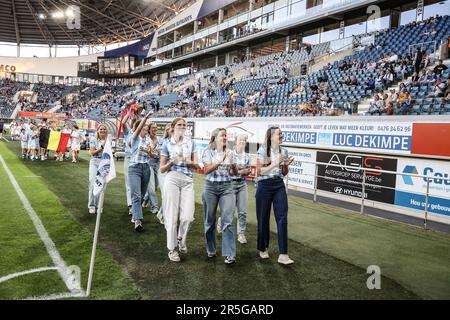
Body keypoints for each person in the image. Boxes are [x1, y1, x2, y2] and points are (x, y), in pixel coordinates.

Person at [160, 118, 198, 262]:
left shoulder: (191, 142)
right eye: (179, 125)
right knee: (171, 215)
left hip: (188, 180)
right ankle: (172, 249)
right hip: (172, 178)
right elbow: (162, 169)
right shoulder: (166, 143)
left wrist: (188, 161)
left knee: (188, 216)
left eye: (184, 125)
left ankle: (181, 238)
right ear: (173, 127)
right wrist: (172, 162)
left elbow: (196, 165)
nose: (182, 127)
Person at [256, 127, 295, 265]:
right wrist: (277, 162)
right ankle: (263, 248)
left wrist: (285, 165)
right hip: (264, 186)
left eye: (281, 134)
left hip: (278, 185)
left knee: (282, 218)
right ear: (271, 136)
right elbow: (260, 171)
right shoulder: (263, 150)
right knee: (263, 219)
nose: (281, 135)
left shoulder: (284, 151)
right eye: (279, 134)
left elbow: (283, 173)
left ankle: (283, 254)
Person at [202, 128, 238, 264]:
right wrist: (220, 160)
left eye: (226, 135)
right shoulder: (208, 151)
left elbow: (234, 173)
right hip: (210, 188)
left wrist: (234, 165)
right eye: (222, 135)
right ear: (215, 138)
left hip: (227, 188)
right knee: (209, 221)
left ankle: (230, 253)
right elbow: (206, 170)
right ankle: (211, 249)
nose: (224, 137)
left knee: (228, 220)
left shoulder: (231, 153)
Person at [128, 111, 152, 231]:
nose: (145, 131)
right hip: (134, 168)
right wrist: (146, 117)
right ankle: (138, 220)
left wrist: (150, 152)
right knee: (136, 194)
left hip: (146, 168)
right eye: (143, 128)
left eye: (147, 129)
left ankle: (134, 211)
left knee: (141, 195)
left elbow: (151, 155)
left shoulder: (148, 141)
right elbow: (137, 130)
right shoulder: (135, 138)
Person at [232, 134, 251, 244]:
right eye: (240, 140)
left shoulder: (247, 157)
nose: (242, 142)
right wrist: (241, 172)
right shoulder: (230, 154)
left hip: (242, 184)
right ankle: (221, 221)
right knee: (230, 211)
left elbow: (247, 171)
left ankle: (241, 234)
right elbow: (228, 172)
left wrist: (246, 172)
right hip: (230, 184)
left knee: (242, 211)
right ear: (235, 141)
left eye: (244, 140)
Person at [142, 122, 162, 219]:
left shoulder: (160, 139)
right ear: (149, 129)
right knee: (152, 187)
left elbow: (161, 152)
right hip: (149, 163)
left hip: (157, 163)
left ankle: (145, 200)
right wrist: (154, 153)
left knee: (155, 187)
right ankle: (154, 207)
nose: (155, 129)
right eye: (153, 128)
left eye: (156, 128)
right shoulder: (146, 140)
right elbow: (148, 153)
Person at [88, 124, 108, 215]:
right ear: (98, 130)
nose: (103, 131)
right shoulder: (93, 139)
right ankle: (92, 205)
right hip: (95, 162)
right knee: (93, 184)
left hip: (104, 163)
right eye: (101, 129)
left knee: (101, 186)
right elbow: (92, 153)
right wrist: (101, 148)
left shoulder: (108, 140)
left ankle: (99, 205)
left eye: (104, 129)